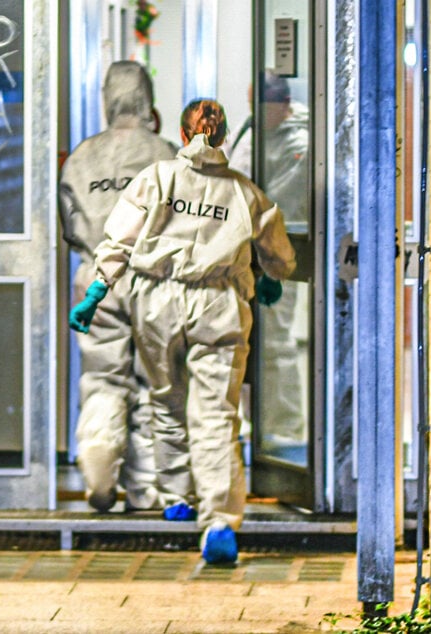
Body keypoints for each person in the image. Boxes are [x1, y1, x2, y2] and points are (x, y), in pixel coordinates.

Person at [69, 98, 296, 564]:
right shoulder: (244, 191)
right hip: (219, 304)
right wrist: (272, 276)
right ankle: (218, 522)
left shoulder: (156, 179)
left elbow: (119, 240)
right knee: (215, 413)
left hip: (156, 301)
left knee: (166, 399)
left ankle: (175, 497)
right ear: (225, 135)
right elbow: (279, 252)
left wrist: (96, 292)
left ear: (179, 129)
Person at [58, 60, 180, 513]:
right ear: (147, 98)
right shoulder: (165, 151)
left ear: (106, 99)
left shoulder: (82, 157)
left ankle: (98, 465)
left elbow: (70, 225)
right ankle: (147, 489)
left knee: (102, 376)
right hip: (154, 279)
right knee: (154, 380)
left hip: (96, 276)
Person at [229, 74, 310, 450]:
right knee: (247, 341)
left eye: (260, 108)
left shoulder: (301, 142)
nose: (254, 114)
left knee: (275, 344)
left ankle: (286, 431)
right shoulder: (252, 131)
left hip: (276, 257)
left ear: (279, 105)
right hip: (244, 255)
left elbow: (281, 204)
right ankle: (258, 425)